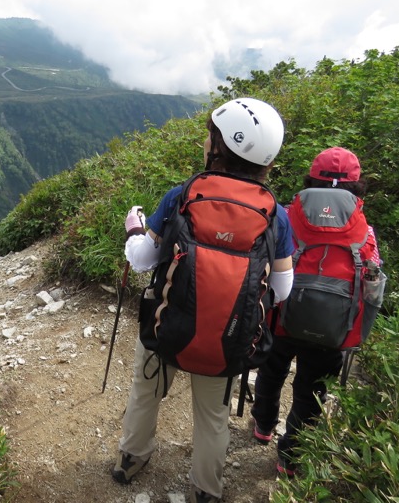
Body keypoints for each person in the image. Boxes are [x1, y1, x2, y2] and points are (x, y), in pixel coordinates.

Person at [112, 98, 295, 503]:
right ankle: (206, 489)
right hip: (228, 338)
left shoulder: (182, 195)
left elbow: (143, 260)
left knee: (145, 392)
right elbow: (281, 290)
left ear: (221, 146)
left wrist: (134, 230)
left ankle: (132, 457)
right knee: (213, 416)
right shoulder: (275, 216)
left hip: (168, 327)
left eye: (211, 134)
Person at [250, 146, 381, 477]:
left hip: (281, 317)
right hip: (333, 329)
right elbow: (372, 275)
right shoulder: (365, 232)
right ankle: (290, 458)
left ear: (311, 178)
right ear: (356, 186)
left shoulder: (284, 214)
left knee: (271, 370)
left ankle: (263, 425)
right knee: (312, 390)